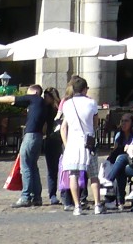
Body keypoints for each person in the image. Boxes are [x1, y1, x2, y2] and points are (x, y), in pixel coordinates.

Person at [56, 77, 99, 216]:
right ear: (85, 89)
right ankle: (97, 205)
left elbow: (64, 126)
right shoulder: (91, 103)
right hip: (88, 142)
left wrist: (66, 144)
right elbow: (95, 123)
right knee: (93, 175)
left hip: (73, 143)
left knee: (73, 175)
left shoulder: (67, 104)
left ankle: (77, 206)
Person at [12, 83, 50, 209]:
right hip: (38, 136)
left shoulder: (34, 98)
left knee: (26, 167)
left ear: (35, 92)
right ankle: (37, 197)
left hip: (30, 136)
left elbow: (12, 98)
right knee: (33, 167)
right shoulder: (42, 104)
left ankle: (25, 197)